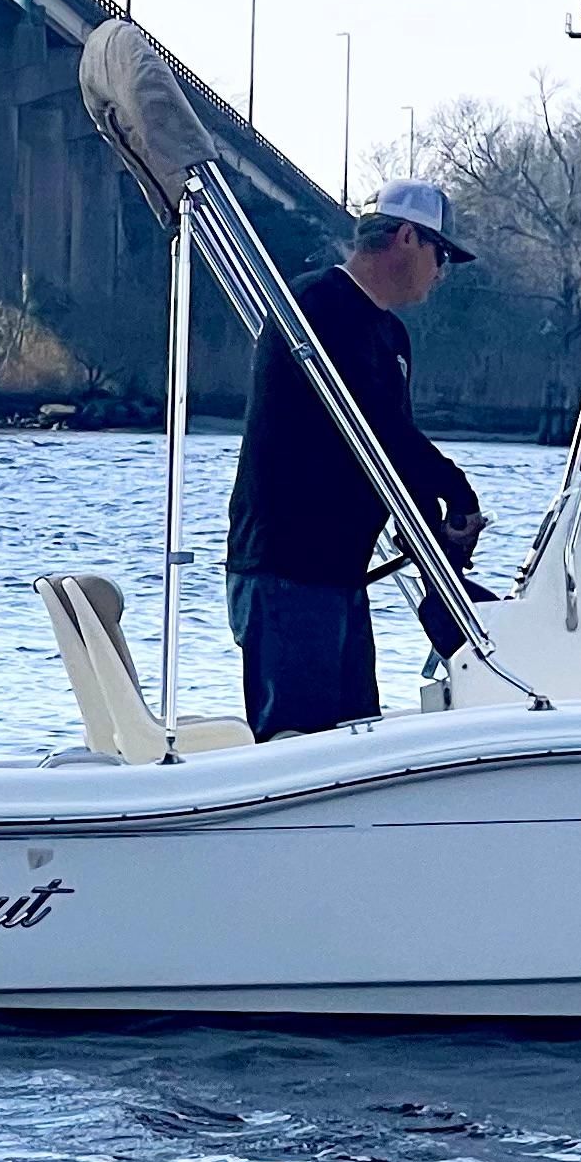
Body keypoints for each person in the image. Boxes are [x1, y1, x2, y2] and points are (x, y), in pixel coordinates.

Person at [224, 177, 487, 740]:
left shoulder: (388, 334)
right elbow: (376, 429)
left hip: (339, 572)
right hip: (287, 569)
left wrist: (435, 535)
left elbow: (389, 449)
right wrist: (459, 492)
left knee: (356, 737)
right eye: (441, 254)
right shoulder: (316, 308)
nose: (442, 272)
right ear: (408, 239)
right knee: (300, 747)